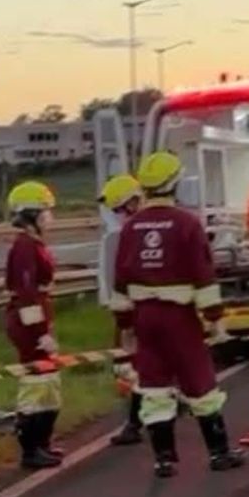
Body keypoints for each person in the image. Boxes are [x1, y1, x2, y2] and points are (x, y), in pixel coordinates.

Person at [113, 151, 246, 478]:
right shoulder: (187, 223)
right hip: (180, 316)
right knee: (199, 381)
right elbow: (203, 275)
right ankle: (218, 453)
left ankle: (164, 459)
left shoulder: (131, 227)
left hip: (145, 316)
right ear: (175, 184)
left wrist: (125, 325)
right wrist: (215, 320)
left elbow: (121, 279)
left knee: (154, 384)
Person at [4, 180, 64, 470]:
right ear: (33, 215)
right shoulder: (25, 246)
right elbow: (27, 293)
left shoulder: (33, 244)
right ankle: (31, 449)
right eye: (46, 212)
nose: (50, 217)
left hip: (38, 316)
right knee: (36, 383)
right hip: (30, 322)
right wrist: (40, 334)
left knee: (49, 382)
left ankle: (42, 443)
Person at [99, 173, 148, 446]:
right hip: (137, 311)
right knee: (135, 368)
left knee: (135, 366)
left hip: (134, 312)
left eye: (118, 209)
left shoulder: (122, 236)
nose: (115, 215)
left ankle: (134, 423)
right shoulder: (120, 235)